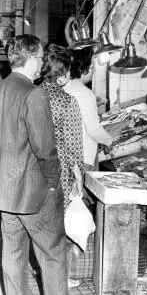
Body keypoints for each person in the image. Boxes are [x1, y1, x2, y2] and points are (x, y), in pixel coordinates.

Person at [0, 34, 68, 295]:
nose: (42, 64)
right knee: (52, 255)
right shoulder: (33, 94)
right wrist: (53, 185)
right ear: (30, 58)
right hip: (34, 194)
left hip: (5, 194)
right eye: (40, 57)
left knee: (13, 253)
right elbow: (46, 150)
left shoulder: (2, 88)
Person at [39, 44, 84, 212]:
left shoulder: (31, 95)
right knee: (56, 221)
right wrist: (78, 176)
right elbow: (73, 146)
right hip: (59, 171)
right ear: (62, 73)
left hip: (34, 169)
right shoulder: (67, 102)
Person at [63, 47, 113, 173]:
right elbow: (93, 129)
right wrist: (108, 141)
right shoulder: (84, 93)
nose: (94, 70)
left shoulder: (64, 87)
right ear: (82, 69)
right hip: (82, 159)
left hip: (66, 157)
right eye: (91, 67)